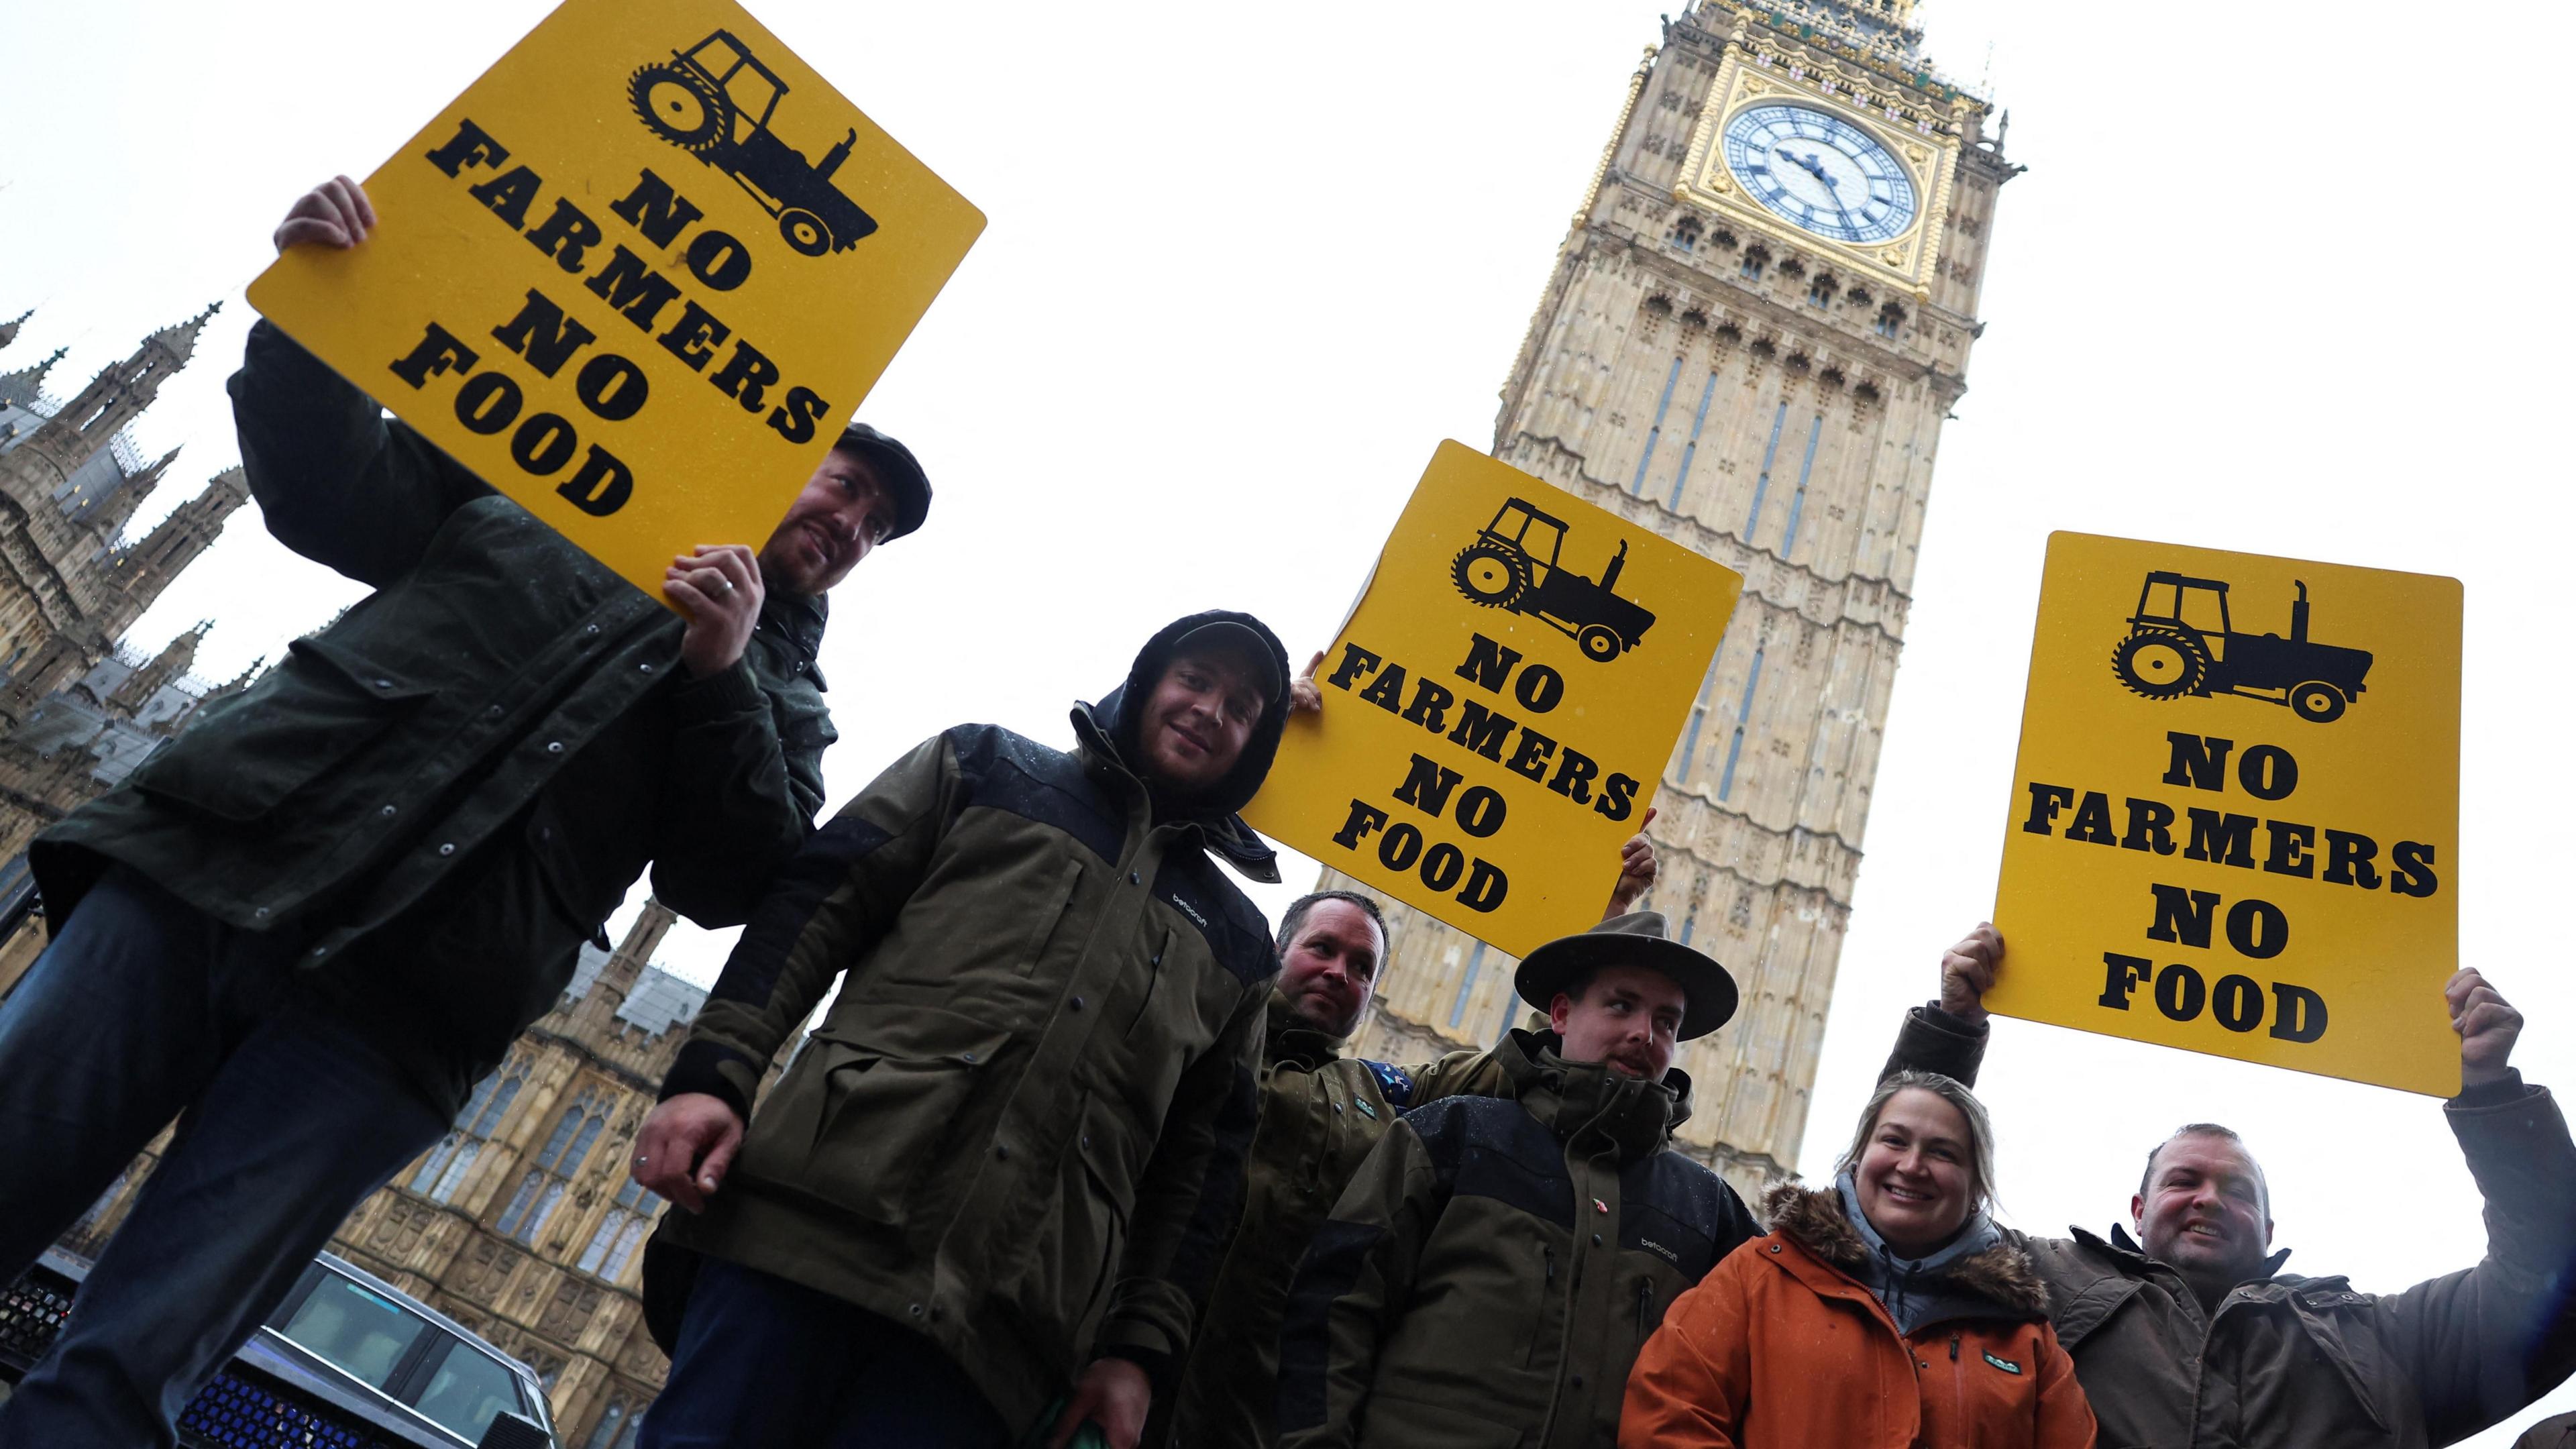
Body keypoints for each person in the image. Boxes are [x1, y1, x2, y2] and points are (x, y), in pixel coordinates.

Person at [0, 176, 927, 1449]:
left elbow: (734, 874)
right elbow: (329, 492)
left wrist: (721, 678)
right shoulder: (557, 476)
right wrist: (324, 316)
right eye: (846, 486)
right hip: (214, 875)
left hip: (398, 1017)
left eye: (876, 529)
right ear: (780, 450)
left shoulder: (786, 698)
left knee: (128, 1370)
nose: (851, 525)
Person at [627, 612, 1294, 1449]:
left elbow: (1203, 1168)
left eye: (1241, 706)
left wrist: (1138, 1353)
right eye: (1195, 680)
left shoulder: (1239, 944)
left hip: (999, 1333)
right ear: (1149, 680)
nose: (1210, 709)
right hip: (808, 1232)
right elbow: (818, 903)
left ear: (1255, 746)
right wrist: (713, 1073)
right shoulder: (984, 766)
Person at [1884, 923, 2576, 1448]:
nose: (2209, 1199)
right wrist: (1948, 1031)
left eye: (2239, 1191)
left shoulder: (2382, 1338)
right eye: (2184, 1181)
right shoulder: (2035, 1284)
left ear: (2271, 1230)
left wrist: (2492, 1092)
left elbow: (2553, 1282)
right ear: (2139, 1207)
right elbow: (1894, 1209)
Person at [1156, 824, 1661, 1448]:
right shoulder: (1202, 1030)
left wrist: (1600, 919)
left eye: (1362, 967)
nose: (1340, 973)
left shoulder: (1386, 1094)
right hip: (1129, 1357)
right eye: (1322, 949)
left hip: (1252, 1413)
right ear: (1278, 951)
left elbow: (1520, 1065)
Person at [1277, 911, 1760, 1448]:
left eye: (1666, 1022)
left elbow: (1784, 1348)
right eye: (1621, 1005)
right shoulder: (1454, 1135)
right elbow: (1331, 1312)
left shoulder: (1705, 1208)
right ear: (1560, 1014)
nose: (1643, 1034)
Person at [1620, 1070, 2098, 1448]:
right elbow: (1667, 1416)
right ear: (1857, 1158)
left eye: (1943, 1152)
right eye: (1894, 1141)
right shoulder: (1760, 1274)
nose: (1911, 1166)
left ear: (1976, 1186)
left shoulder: (2024, 1338)